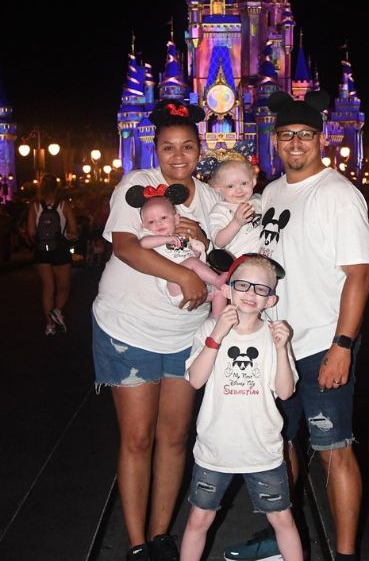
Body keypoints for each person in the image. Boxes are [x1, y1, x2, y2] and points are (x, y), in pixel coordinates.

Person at [225, 91, 369, 561]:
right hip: (277, 346)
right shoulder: (270, 192)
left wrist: (343, 345)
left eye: (305, 136)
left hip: (321, 343)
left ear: (322, 139)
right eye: (286, 135)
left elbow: (360, 274)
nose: (295, 144)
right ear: (274, 141)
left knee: (334, 450)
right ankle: (283, 537)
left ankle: (345, 554)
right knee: (281, 445)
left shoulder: (338, 194)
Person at [92, 99, 221, 561]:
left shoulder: (209, 197)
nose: (179, 156)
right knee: (138, 438)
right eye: (169, 147)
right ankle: (137, 542)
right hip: (130, 327)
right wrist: (184, 276)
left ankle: (162, 531)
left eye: (188, 146)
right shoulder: (139, 186)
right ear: (155, 148)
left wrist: (204, 243)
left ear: (199, 147)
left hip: (185, 334)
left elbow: (225, 250)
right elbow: (126, 247)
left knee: (174, 436)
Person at [180, 255, 302, 561]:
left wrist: (281, 348)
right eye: (243, 285)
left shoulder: (275, 334)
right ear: (227, 290)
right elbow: (195, 380)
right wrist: (217, 335)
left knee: (282, 519)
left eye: (261, 289)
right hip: (214, 448)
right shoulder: (209, 328)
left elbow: (286, 391)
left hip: (262, 449)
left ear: (271, 299)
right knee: (198, 519)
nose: (250, 293)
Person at [131, 187, 228, 316]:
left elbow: (190, 258)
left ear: (176, 219)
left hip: (197, 286)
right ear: (144, 226)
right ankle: (217, 280)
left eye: (164, 218)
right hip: (173, 286)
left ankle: (218, 323)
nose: (158, 223)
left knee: (219, 293)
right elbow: (143, 243)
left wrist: (196, 253)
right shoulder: (151, 238)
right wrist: (167, 239)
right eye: (151, 222)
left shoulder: (182, 239)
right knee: (193, 263)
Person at [26, 174, 77, 335]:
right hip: (60, 249)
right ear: (57, 188)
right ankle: (57, 310)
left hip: (42, 250)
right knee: (64, 286)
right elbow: (73, 231)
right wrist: (69, 235)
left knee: (48, 287)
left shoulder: (34, 206)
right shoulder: (64, 206)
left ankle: (49, 326)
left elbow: (31, 232)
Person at [208, 157, 262, 257]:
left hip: (265, 258)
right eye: (230, 186)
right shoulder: (220, 210)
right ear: (218, 188)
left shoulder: (259, 201)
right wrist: (236, 223)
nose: (239, 190)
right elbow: (218, 241)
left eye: (244, 183)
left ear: (253, 181)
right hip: (240, 261)